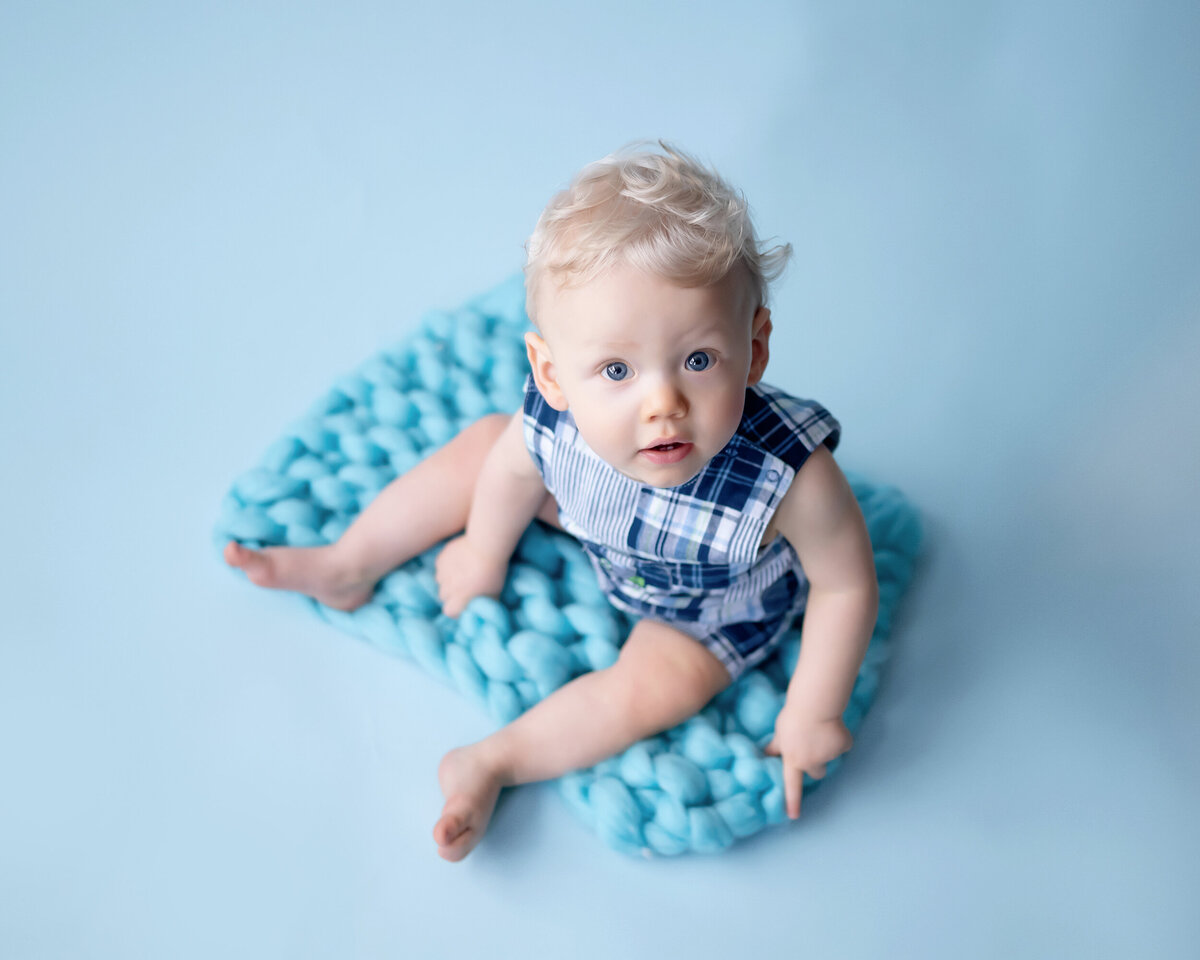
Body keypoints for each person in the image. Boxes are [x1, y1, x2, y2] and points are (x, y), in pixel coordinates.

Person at [224, 143, 879, 862]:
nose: (662, 404)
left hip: (706, 601)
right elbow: (510, 477)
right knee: (486, 448)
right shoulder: (557, 419)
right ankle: (348, 563)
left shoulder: (789, 476)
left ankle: (492, 763)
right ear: (553, 372)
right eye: (617, 370)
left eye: (698, 360)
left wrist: (813, 710)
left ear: (752, 352)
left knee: (659, 685)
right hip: (600, 525)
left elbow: (845, 583)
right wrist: (481, 549)